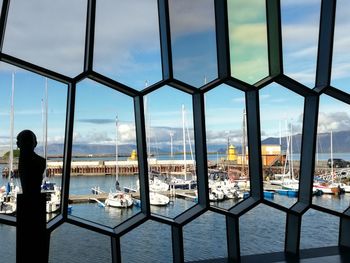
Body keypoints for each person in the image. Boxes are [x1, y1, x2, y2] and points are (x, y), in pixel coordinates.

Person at [16, 129, 48, 263]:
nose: (18, 145)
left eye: (20, 142)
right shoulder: (37, 161)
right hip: (31, 202)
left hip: (31, 204)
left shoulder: (39, 162)